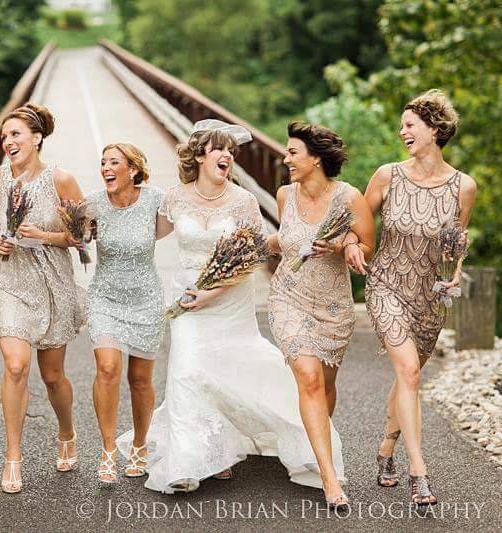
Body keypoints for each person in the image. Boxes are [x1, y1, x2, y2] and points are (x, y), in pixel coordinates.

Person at [119, 120, 345, 500]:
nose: (227, 156)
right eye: (219, 149)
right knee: (188, 370)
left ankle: (296, 435)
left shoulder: (243, 201)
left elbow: (253, 254)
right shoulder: (174, 197)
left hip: (229, 299)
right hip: (187, 297)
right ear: (200, 156)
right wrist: (112, 212)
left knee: (233, 368)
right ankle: (189, 461)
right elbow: (147, 233)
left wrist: (212, 293)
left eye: (231, 151)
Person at [347, 89, 477, 506]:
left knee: (408, 376)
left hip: (429, 297)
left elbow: (455, 244)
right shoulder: (387, 175)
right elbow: (359, 226)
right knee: (409, 371)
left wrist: (453, 275)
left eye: (410, 125)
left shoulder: (464, 187)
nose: (402, 131)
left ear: (434, 130)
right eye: (402, 125)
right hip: (386, 284)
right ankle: (419, 472)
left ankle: (385, 450)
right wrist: (352, 244)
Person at [0, 103, 85, 493]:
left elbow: (82, 234)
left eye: (15, 134)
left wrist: (43, 237)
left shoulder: (61, 180)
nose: (7, 141)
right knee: (16, 366)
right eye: (4, 136)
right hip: (10, 281)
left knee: (52, 376)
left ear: (36, 138)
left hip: (52, 283)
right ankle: (12, 456)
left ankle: (66, 431)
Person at [268, 121, 375, 508]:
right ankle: (330, 481)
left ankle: (312, 446)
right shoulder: (284, 196)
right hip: (288, 297)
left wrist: (346, 243)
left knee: (325, 387)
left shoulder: (349, 197)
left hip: (333, 306)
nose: (286, 159)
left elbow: (367, 243)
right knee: (309, 378)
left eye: (293, 153)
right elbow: (283, 240)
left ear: (316, 158)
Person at [86, 143, 165, 483]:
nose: (106, 167)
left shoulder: (155, 200)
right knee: (107, 368)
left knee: (140, 379)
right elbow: (75, 236)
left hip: (146, 299)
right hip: (105, 297)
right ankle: (107, 450)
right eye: (103, 162)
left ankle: (140, 445)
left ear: (133, 170)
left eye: (114, 162)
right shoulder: (93, 203)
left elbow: (168, 231)